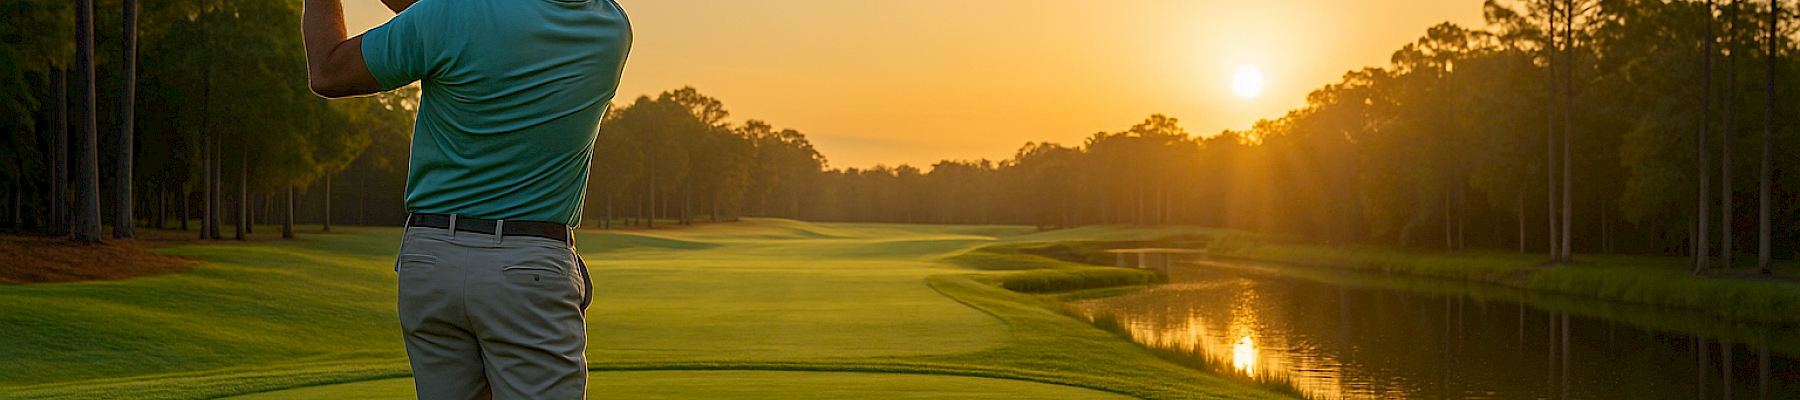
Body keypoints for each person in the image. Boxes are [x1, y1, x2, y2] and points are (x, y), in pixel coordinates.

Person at [301, 0, 631, 398]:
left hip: (430, 259)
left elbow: (329, 70)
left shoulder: (446, 15)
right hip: (530, 268)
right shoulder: (610, 29)